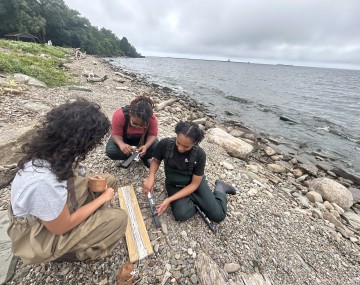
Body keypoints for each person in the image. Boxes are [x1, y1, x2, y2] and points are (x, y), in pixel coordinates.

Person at [7, 99, 128, 265]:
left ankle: (91, 222)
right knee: (119, 218)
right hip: (39, 236)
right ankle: (68, 254)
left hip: (50, 214)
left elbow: (64, 179)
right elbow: (60, 227)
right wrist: (103, 198)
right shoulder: (42, 182)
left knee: (109, 180)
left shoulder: (52, 150)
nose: (93, 147)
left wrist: (88, 180)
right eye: (93, 142)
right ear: (80, 141)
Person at [142, 121, 236, 223]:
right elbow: (156, 161)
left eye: (186, 147)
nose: (180, 148)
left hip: (195, 185)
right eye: (178, 143)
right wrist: (151, 177)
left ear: (195, 143)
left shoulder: (200, 155)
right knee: (181, 215)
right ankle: (197, 200)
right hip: (174, 185)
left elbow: (195, 184)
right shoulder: (165, 144)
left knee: (218, 216)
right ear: (176, 135)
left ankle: (221, 187)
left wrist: (169, 200)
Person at [106, 95, 159, 168]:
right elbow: (116, 134)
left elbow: (153, 135)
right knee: (111, 151)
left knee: (157, 147)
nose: (137, 126)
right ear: (130, 113)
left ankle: (144, 157)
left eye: (141, 125)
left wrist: (146, 146)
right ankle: (127, 157)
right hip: (124, 139)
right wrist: (121, 144)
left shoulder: (152, 118)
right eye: (134, 123)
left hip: (142, 141)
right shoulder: (120, 115)